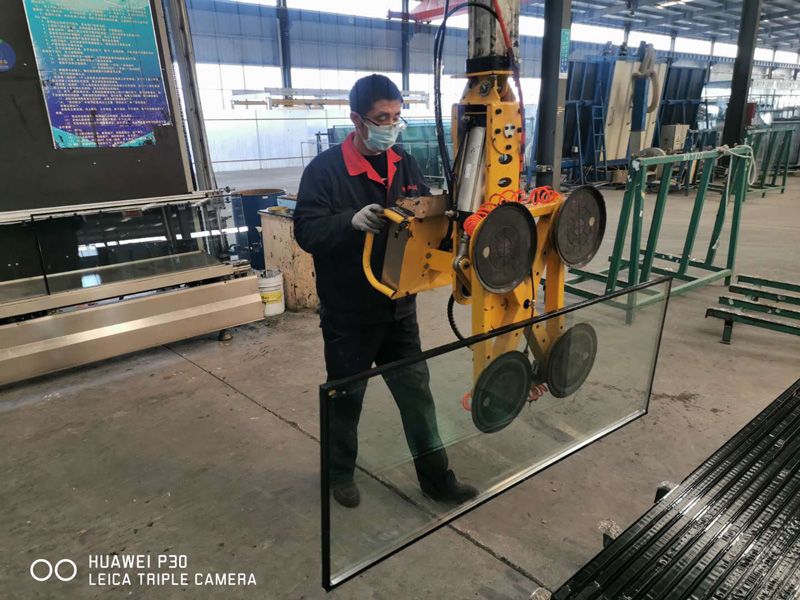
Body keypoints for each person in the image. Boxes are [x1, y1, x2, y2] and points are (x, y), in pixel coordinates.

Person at [294, 74, 477, 509]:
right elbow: (306, 231)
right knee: (346, 398)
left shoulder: (404, 163)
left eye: (396, 117)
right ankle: (339, 475)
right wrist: (348, 221)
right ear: (356, 120)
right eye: (381, 118)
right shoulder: (325, 170)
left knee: (417, 397)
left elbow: (424, 217)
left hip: (399, 307)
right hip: (349, 312)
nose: (391, 126)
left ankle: (437, 480)